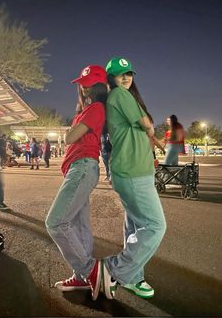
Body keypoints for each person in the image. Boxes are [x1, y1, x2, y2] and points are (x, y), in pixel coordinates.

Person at [101, 57, 166, 300]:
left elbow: (147, 130)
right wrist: (149, 128)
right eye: (120, 74)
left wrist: (152, 135)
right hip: (132, 172)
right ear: (111, 78)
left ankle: (133, 278)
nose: (126, 77)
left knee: (136, 226)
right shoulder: (119, 95)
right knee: (155, 226)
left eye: (128, 73)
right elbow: (146, 123)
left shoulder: (125, 97)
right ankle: (114, 269)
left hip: (137, 170)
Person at [45, 65, 108, 301]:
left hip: (82, 168)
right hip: (78, 168)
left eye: (90, 83)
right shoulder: (86, 110)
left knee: (55, 222)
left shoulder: (96, 108)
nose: (84, 87)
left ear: (99, 86)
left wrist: (71, 130)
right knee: (79, 226)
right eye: (82, 83)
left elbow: (70, 137)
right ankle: (82, 276)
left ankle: (91, 270)